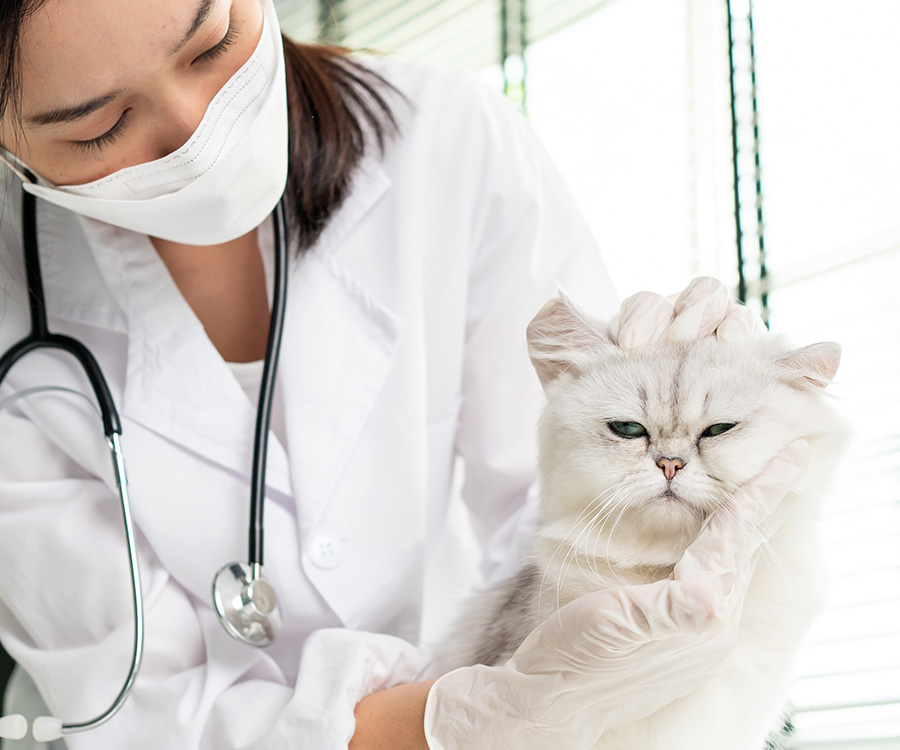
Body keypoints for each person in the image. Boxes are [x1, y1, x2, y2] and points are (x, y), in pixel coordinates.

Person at [0, 0, 807, 748]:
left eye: (212, 44)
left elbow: (565, 498)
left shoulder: (449, 137)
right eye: (98, 127)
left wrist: (724, 439)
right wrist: (460, 719)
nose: (194, 127)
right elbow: (141, 704)